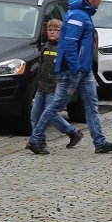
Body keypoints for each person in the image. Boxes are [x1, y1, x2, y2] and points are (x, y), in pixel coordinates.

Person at [29, 0, 112, 155]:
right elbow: (70, 44)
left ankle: (100, 142)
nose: (101, 1)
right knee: (56, 105)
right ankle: (35, 139)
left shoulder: (81, 13)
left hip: (82, 70)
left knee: (91, 105)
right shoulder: (79, 16)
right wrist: (74, 68)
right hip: (73, 70)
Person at [30, 19, 83, 149]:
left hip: (55, 88)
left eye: (56, 30)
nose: (52, 32)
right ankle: (40, 140)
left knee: (51, 115)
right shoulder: (46, 46)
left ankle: (73, 132)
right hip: (42, 87)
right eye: (50, 30)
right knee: (35, 114)